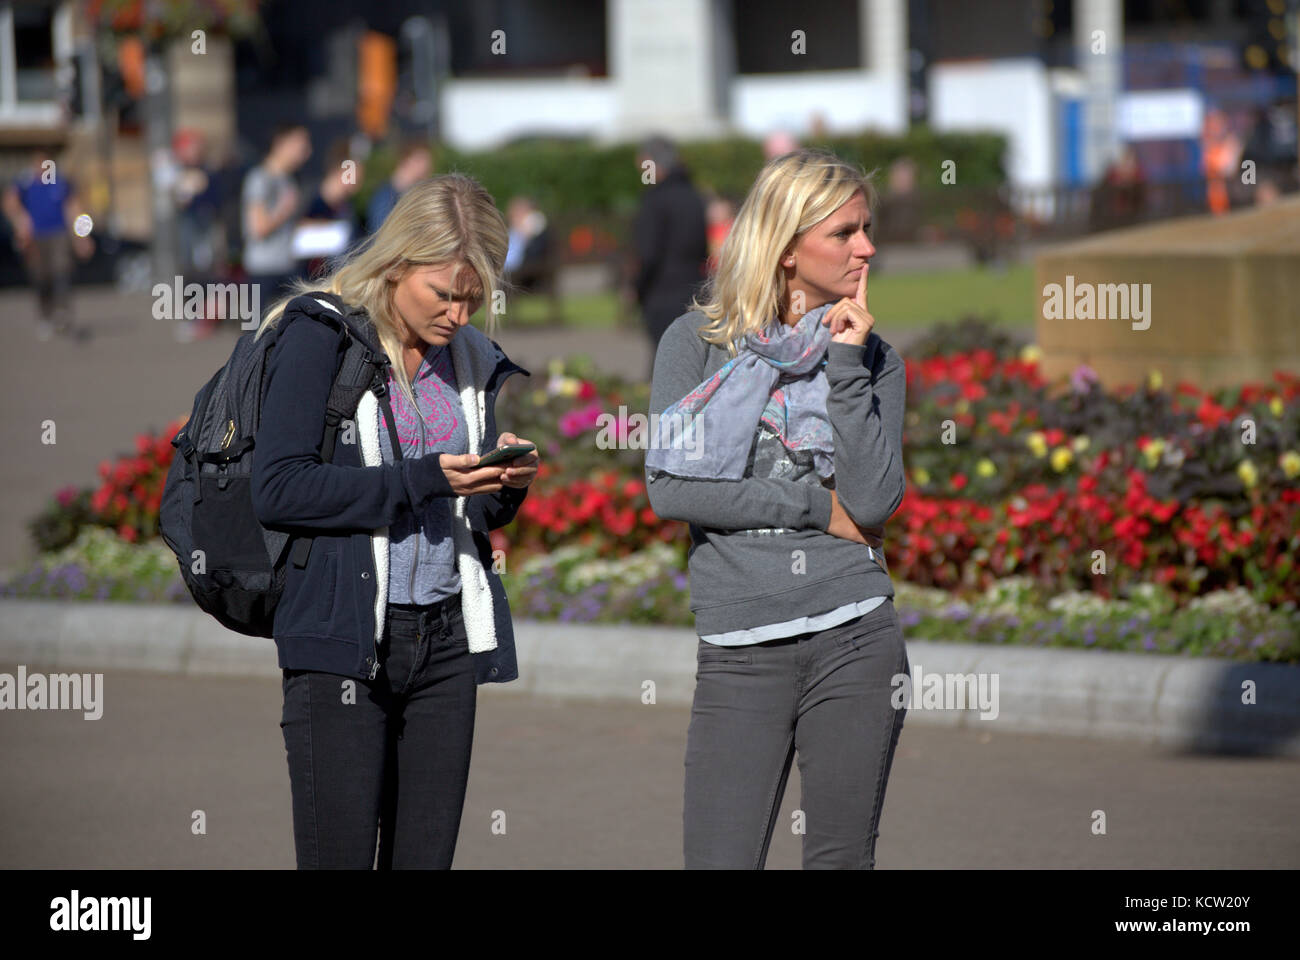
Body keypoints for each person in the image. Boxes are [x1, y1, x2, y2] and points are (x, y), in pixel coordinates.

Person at [249, 173, 540, 869]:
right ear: (396, 265)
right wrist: (422, 479)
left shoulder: (467, 355)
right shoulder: (321, 333)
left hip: (444, 642)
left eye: (473, 298)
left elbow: (471, 511)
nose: (458, 315)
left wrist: (503, 483)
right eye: (443, 295)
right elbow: (281, 490)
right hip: (344, 637)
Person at [645, 148, 909, 869]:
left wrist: (848, 368)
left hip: (856, 639)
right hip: (740, 653)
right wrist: (813, 510)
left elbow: (875, 500)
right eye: (845, 233)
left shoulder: (876, 357)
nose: (867, 247)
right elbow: (672, 487)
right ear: (787, 248)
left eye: (866, 229)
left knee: (838, 860)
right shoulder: (696, 344)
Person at [2, 147, 94, 341]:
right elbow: (10, 202)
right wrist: (21, 222)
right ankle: (45, 315)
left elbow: (73, 209)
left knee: (61, 270)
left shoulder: (60, 184)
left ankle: (63, 312)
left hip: (58, 234)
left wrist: (82, 237)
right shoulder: (26, 184)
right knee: (40, 276)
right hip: (36, 236)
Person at [632, 135, 708, 364]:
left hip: (661, 292)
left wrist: (637, 288)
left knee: (665, 363)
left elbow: (648, 254)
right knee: (693, 362)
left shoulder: (654, 200)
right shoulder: (694, 195)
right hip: (694, 289)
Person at [241, 123, 312, 312]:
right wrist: (284, 209)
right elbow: (258, 227)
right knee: (257, 331)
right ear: (281, 144)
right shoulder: (260, 178)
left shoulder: (289, 179)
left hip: (288, 263)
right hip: (264, 268)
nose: (307, 153)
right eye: (301, 146)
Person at [366, 140, 432, 234]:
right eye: (421, 160)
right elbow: (381, 234)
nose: (426, 166)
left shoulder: (409, 194)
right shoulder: (384, 197)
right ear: (406, 160)